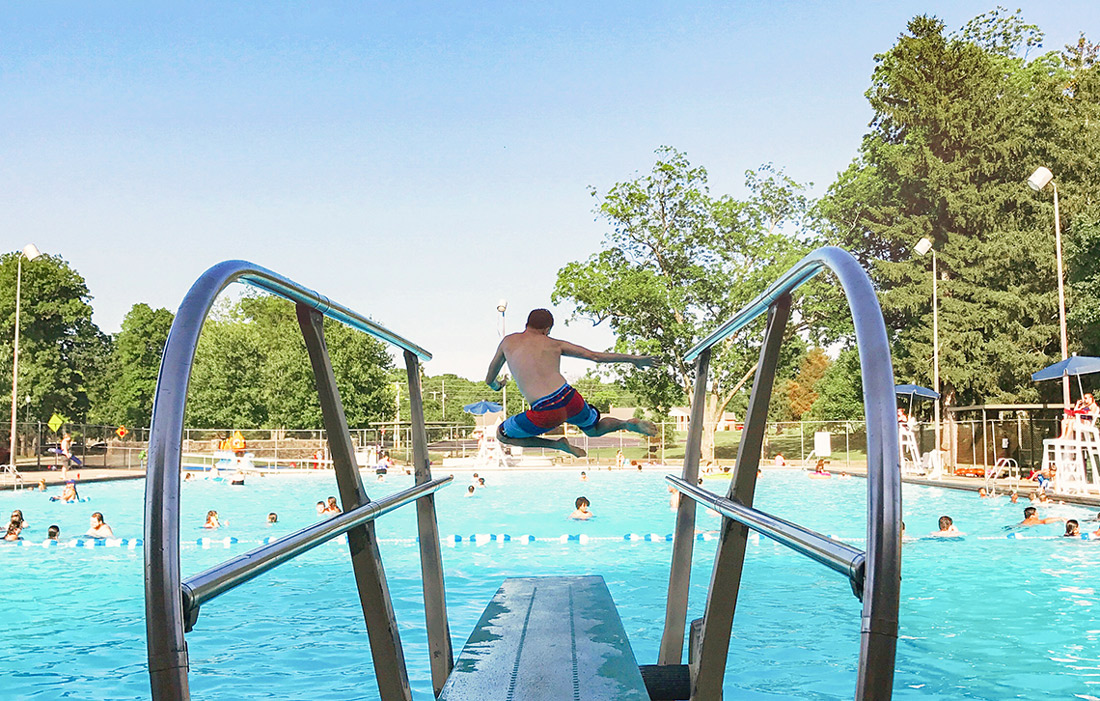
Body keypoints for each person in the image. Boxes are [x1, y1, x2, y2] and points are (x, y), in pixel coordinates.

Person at [484, 309, 657, 457]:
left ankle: (558, 445)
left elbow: (489, 378)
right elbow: (595, 356)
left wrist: (497, 386)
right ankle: (626, 424)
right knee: (594, 430)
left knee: (503, 435)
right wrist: (634, 359)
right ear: (547, 329)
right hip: (570, 398)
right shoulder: (555, 344)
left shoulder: (507, 342)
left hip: (545, 410)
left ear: (527, 323)